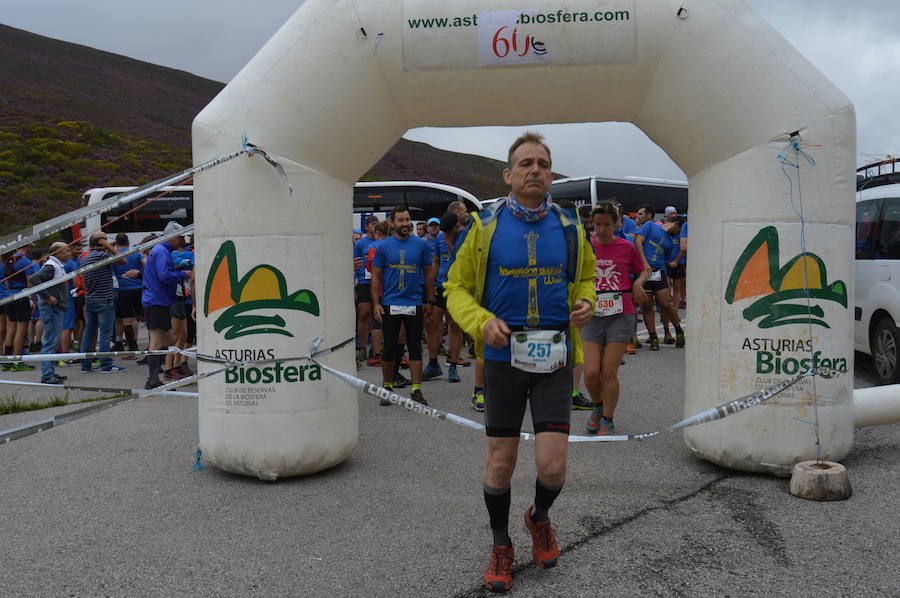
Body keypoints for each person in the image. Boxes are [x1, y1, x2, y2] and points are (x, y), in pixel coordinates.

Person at [444, 132, 595, 592]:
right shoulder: (484, 226)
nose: (535, 170)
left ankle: (539, 518)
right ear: (508, 176)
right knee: (500, 464)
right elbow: (454, 289)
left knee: (552, 467)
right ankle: (500, 544)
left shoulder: (570, 225)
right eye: (525, 163)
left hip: (554, 357)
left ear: (551, 174)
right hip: (503, 360)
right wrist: (481, 321)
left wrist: (586, 301)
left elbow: (586, 277)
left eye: (543, 164)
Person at [581, 202, 650, 435]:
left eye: (606, 225)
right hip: (592, 312)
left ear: (617, 224)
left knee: (609, 371)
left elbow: (644, 269)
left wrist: (638, 283)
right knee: (590, 371)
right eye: (597, 224)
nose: (601, 230)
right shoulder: (585, 246)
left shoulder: (626, 246)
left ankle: (607, 420)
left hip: (621, 312)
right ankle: (597, 407)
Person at [371, 206, 435, 405]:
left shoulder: (420, 245)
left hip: (414, 302)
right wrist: (376, 304)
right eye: (401, 220)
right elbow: (375, 276)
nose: (406, 224)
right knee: (389, 347)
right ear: (392, 223)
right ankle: (387, 387)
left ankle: (416, 390)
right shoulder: (383, 247)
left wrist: (430, 299)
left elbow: (429, 272)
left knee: (415, 346)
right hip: (390, 303)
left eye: (408, 220)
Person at [142, 222, 191, 389]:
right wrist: (184, 273)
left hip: (159, 300)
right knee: (157, 342)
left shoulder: (161, 251)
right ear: (172, 236)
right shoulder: (162, 251)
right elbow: (164, 276)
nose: (183, 240)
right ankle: (152, 379)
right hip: (157, 301)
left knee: (169, 339)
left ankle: (162, 373)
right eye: (181, 236)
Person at [634, 212, 685, 350]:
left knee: (665, 303)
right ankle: (653, 337)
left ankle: (679, 330)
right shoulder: (650, 225)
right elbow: (638, 241)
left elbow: (665, 258)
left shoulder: (670, 242)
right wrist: (644, 262)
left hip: (659, 272)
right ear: (676, 224)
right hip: (644, 271)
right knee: (646, 305)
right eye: (679, 230)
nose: (678, 234)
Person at [79, 232, 127, 374]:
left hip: (90, 299)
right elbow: (122, 260)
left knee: (89, 333)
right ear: (100, 242)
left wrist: (107, 247)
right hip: (104, 300)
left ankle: (85, 364)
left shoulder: (86, 257)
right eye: (105, 240)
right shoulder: (102, 256)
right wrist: (109, 248)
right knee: (105, 334)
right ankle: (106, 365)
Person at [28, 242, 72, 384]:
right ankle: (47, 375)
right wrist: (47, 296)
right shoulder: (51, 266)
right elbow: (34, 278)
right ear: (57, 253)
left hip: (56, 308)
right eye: (66, 251)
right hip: (52, 308)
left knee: (52, 341)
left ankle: (50, 372)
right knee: (50, 341)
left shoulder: (56, 265)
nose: (69, 253)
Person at [2, 245, 39, 371]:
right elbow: (30, 283)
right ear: (27, 247)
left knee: (12, 327)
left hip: (9, 296)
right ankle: (17, 360)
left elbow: (6, 281)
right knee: (21, 328)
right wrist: (34, 300)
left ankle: (7, 359)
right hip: (21, 296)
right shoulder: (25, 261)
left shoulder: (8, 261)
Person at [112, 233, 143, 356]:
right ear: (128, 242)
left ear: (116, 243)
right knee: (139, 318)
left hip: (122, 289)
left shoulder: (115, 256)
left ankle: (130, 348)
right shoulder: (135, 252)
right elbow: (146, 262)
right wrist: (139, 273)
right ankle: (138, 344)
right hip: (139, 288)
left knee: (125, 320)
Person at [353, 215, 379, 363]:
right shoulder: (360, 244)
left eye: (376, 223)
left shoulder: (382, 241)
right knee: (363, 312)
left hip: (380, 282)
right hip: (364, 281)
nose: (374, 226)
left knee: (377, 315)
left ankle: (377, 349)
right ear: (366, 226)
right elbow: (355, 262)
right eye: (371, 223)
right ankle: (361, 347)